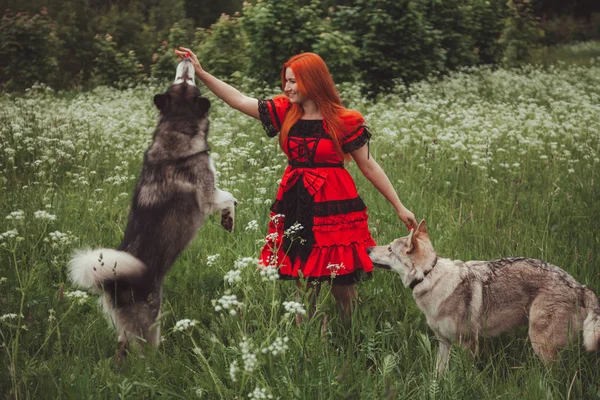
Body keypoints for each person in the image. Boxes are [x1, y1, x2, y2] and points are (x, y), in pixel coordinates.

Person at [175, 47, 417, 320]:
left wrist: (399, 206)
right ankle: (307, 335)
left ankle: (351, 336)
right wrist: (202, 72)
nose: (287, 87)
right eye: (286, 81)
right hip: (295, 198)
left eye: (293, 81)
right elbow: (239, 100)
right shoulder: (285, 111)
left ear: (313, 81)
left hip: (334, 204)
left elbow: (369, 166)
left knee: (341, 280)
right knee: (303, 272)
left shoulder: (344, 120)